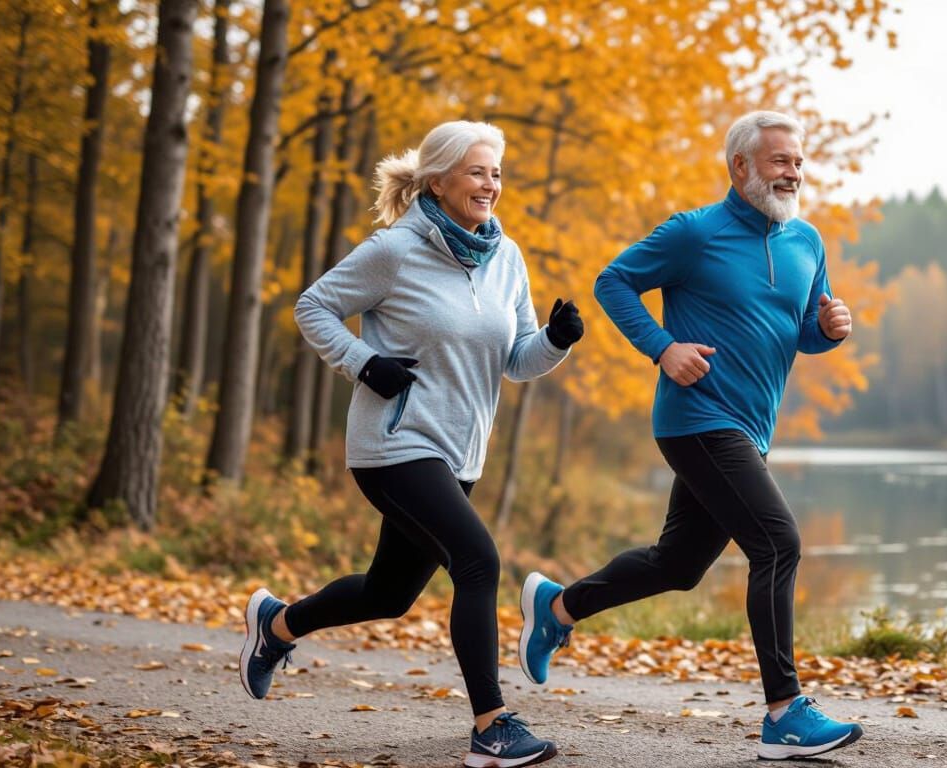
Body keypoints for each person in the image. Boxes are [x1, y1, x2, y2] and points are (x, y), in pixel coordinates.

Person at [517, 110, 861, 760]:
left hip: (750, 427)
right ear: (741, 167)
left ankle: (559, 608)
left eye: (798, 161)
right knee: (778, 542)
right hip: (696, 417)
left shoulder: (806, 241)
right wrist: (663, 348)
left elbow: (803, 329)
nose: (794, 172)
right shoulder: (694, 233)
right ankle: (785, 711)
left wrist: (830, 328)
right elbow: (613, 281)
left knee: (678, 567)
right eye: (781, 161)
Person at [239, 120, 581, 768]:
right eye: (478, 171)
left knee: (388, 594)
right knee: (478, 561)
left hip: (460, 452)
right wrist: (365, 363)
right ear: (438, 179)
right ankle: (491, 726)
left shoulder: (507, 259)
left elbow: (516, 361)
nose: (491, 184)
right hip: (394, 444)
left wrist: (558, 341)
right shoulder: (395, 249)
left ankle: (276, 626)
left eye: (497, 173)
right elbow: (313, 306)